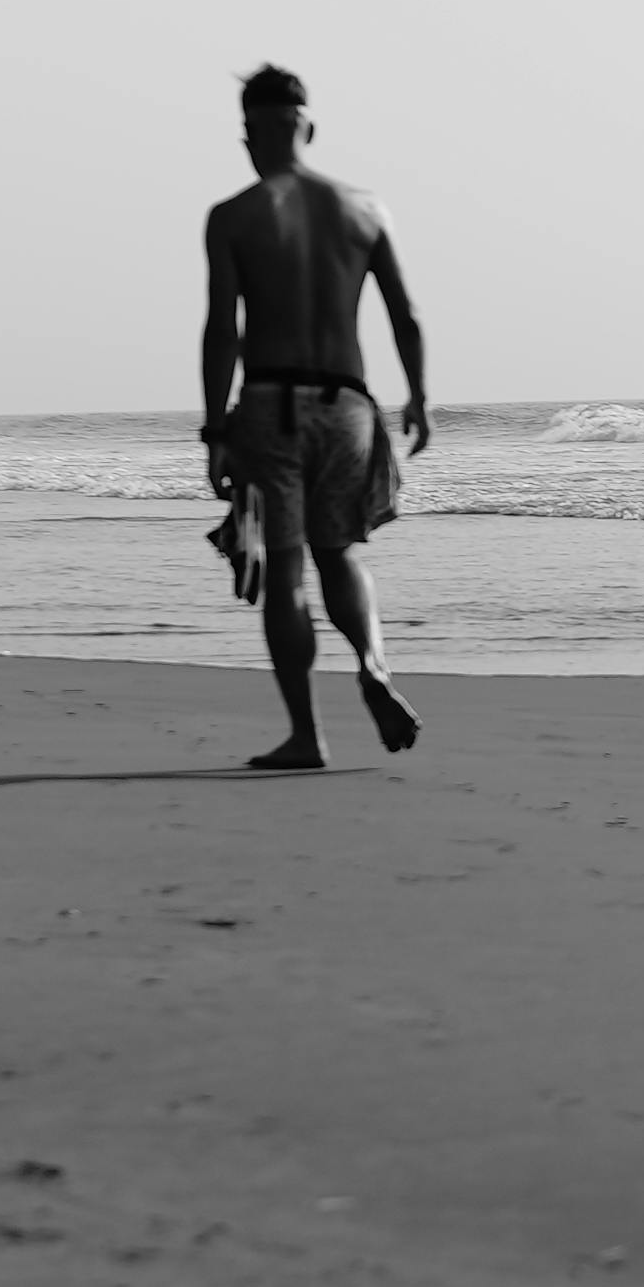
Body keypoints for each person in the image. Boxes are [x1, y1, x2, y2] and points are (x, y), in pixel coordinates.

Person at [201, 65, 430, 770]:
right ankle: (373, 663)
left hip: (272, 402)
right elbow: (404, 313)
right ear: (308, 127)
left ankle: (307, 736)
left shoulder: (236, 215)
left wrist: (215, 429)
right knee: (343, 553)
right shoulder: (364, 208)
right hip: (351, 405)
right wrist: (418, 397)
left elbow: (224, 331)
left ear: (247, 134)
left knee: (286, 573)